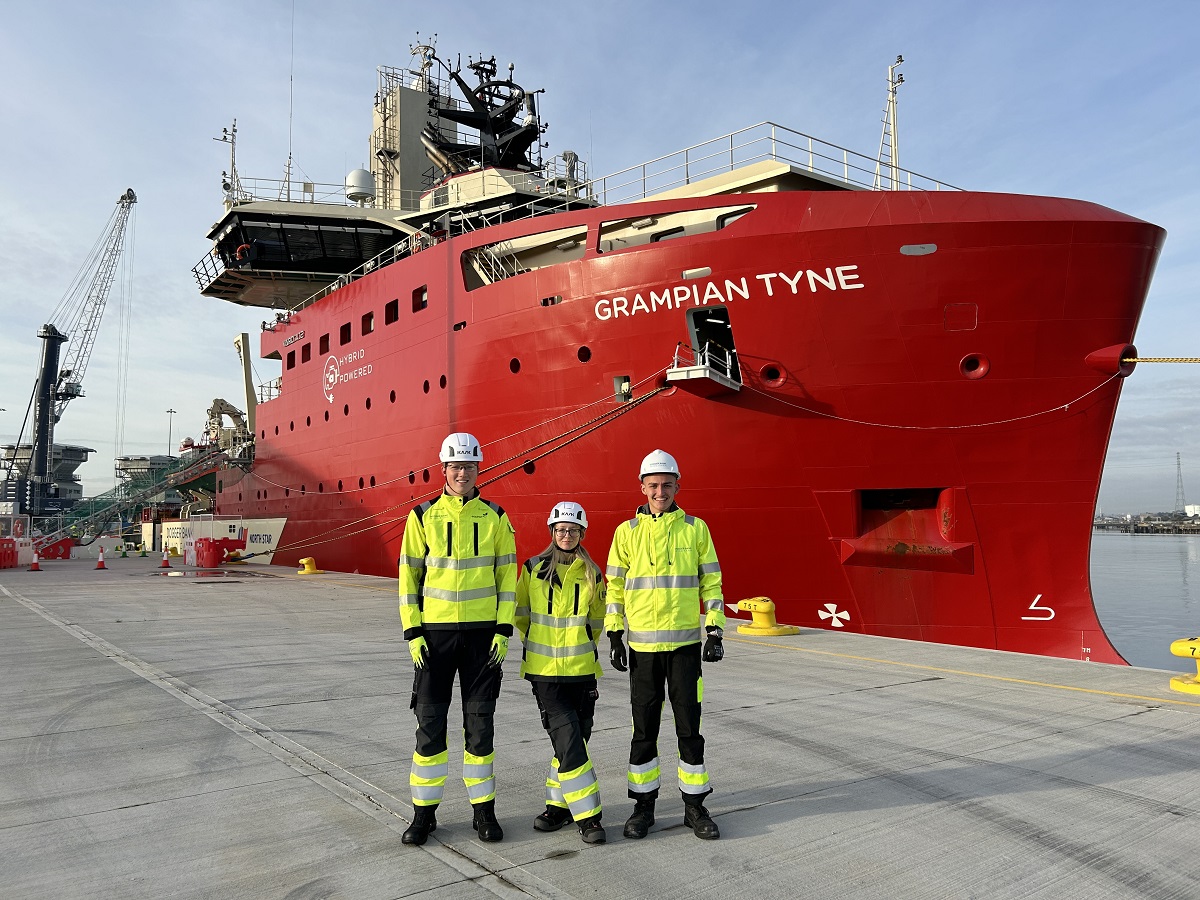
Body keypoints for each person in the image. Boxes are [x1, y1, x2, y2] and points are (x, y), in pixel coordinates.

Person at [398, 432, 517, 846]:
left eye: (469, 466)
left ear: (478, 469)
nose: (462, 472)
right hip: (434, 638)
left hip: (484, 639)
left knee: (479, 727)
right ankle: (422, 815)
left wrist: (504, 629)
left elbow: (508, 578)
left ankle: (483, 813)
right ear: (443, 470)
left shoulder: (496, 517)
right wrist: (413, 631)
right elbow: (408, 578)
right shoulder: (422, 516)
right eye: (455, 466)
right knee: (429, 727)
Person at [605, 449, 726, 841]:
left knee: (689, 727)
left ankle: (695, 806)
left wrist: (715, 630)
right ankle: (643, 808)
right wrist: (613, 634)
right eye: (653, 485)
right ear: (642, 487)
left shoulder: (696, 529)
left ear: (677, 486)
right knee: (644, 730)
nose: (660, 492)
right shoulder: (626, 533)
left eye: (667, 485)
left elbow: (712, 582)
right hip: (641, 649)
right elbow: (615, 587)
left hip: (685, 648)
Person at [514, 501, 607, 845]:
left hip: (582, 671)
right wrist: (542, 645)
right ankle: (589, 817)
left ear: (582, 533)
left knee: (573, 741)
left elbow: (596, 619)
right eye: (561, 530)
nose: (566, 535)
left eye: (573, 530)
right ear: (552, 532)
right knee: (569, 740)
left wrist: (581, 643)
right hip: (545, 672)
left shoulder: (592, 573)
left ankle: (558, 807)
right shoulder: (532, 569)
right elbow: (521, 614)